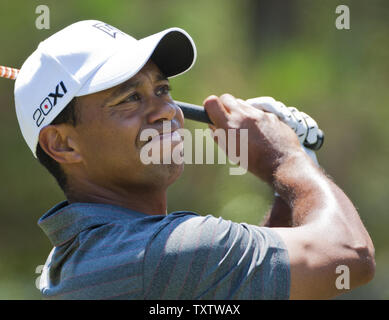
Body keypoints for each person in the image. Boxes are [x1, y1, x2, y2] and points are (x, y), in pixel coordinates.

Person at [14, 20, 375, 300]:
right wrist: (286, 157)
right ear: (61, 144)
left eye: (162, 90)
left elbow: (265, 279)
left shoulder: (97, 255)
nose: (166, 112)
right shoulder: (157, 255)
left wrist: (286, 186)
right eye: (128, 99)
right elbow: (351, 253)